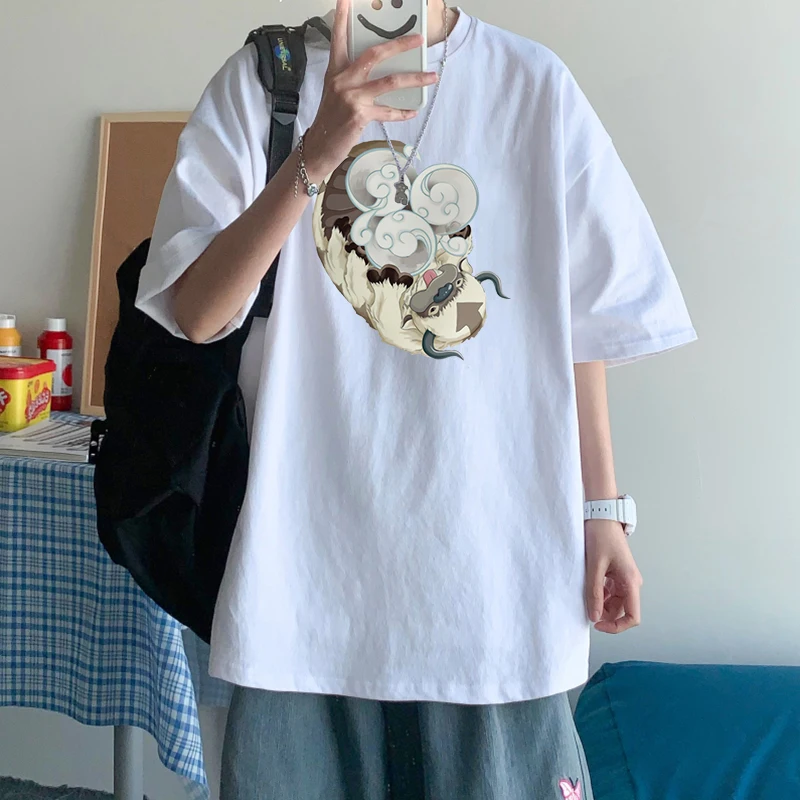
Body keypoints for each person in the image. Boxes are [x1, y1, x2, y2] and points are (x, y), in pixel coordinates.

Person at [136, 1, 697, 797]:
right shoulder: (265, 84)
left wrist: (603, 512)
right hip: (304, 593)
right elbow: (195, 313)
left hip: (494, 590)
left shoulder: (533, 86)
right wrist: (319, 151)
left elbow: (583, 326)